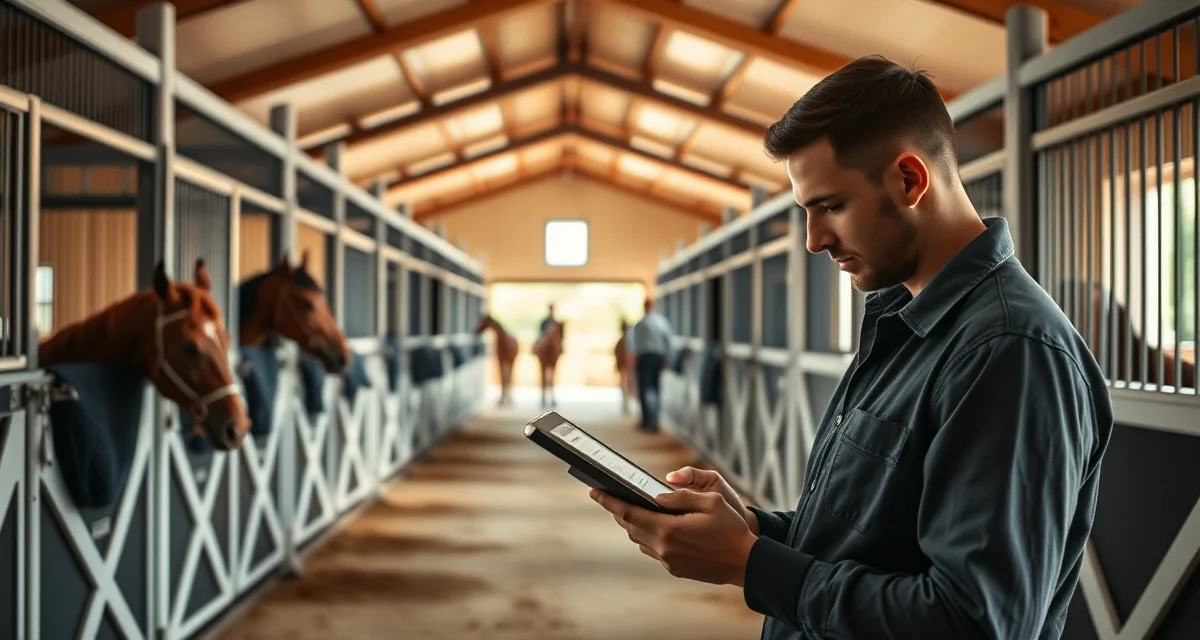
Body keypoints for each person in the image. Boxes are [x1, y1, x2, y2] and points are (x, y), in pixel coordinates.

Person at [588, 54, 1113, 639]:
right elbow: (873, 545)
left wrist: (749, 563)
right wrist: (753, 530)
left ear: (911, 180)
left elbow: (973, 622)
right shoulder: (904, 323)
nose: (814, 240)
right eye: (806, 212)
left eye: (831, 206)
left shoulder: (1009, 350)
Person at [626, 297, 674, 432]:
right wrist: (667, 358)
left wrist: (632, 359)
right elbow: (668, 341)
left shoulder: (640, 324)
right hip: (657, 357)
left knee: (644, 388)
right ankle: (655, 420)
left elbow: (632, 344)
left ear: (644, 307)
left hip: (644, 358)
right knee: (656, 388)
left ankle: (647, 420)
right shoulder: (661, 322)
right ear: (653, 306)